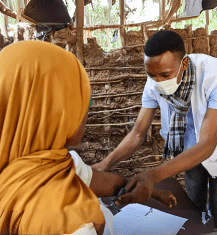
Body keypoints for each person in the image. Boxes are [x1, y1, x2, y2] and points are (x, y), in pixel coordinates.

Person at [0, 41, 176, 235]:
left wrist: (150, 191)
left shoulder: (50, 162)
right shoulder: (67, 221)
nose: (86, 114)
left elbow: (96, 179)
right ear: (57, 112)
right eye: (81, 103)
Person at [93, 30, 217, 231]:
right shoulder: (154, 82)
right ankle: (200, 229)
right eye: (151, 75)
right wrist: (106, 163)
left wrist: (153, 176)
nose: (158, 81)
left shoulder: (215, 75)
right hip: (188, 150)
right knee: (193, 204)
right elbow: (138, 133)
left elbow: (208, 144)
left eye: (165, 75)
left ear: (183, 64)